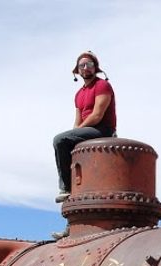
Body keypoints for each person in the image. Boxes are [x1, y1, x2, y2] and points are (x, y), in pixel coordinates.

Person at [53, 51, 117, 203]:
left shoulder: (102, 85)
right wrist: (76, 133)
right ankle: (74, 183)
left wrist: (77, 132)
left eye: (89, 64)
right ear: (77, 70)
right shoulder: (78, 94)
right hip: (87, 129)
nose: (86, 67)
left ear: (95, 68)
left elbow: (97, 115)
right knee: (64, 141)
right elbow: (77, 119)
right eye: (82, 65)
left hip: (103, 129)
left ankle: (66, 187)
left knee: (60, 140)